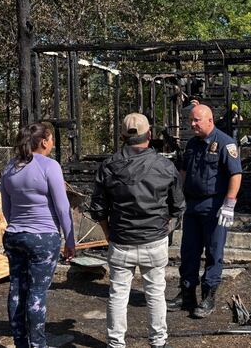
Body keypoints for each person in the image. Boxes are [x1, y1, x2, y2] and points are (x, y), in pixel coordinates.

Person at [89, 113, 185, 348]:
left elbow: (98, 209)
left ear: (122, 136)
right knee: (155, 293)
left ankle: (116, 343)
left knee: (118, 294)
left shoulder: (109, 166)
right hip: (155, 241)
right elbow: (178, 206)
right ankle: (159, 341)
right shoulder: (165, 166)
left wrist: (108, 232)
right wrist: (165, 228)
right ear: (150, 135)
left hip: (121, 241)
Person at [0, 123, 75, 348]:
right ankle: (39, 345)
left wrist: (18, 226)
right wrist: (70, 240)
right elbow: (62, 207)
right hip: (43, 237)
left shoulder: (9, 167)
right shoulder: (49, 166)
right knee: (37, 292)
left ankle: (21, 343)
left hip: (14, 236)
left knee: (16, 290)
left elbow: (6, 208)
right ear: (44, 141)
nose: (52, 144)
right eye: (51, 139)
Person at [167, 104, 242, 318]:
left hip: (214, 208)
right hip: (192, 206)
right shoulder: (191, 144)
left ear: (210, 120)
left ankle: (208, 297)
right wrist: (177, 199)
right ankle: (187, 294)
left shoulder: (226, 143)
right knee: (188, 252)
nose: (192, 124)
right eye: (191, 120)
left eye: (196, 120)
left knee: (213, 253)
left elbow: (235, 174)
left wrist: (229, 204)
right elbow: (182, 172)